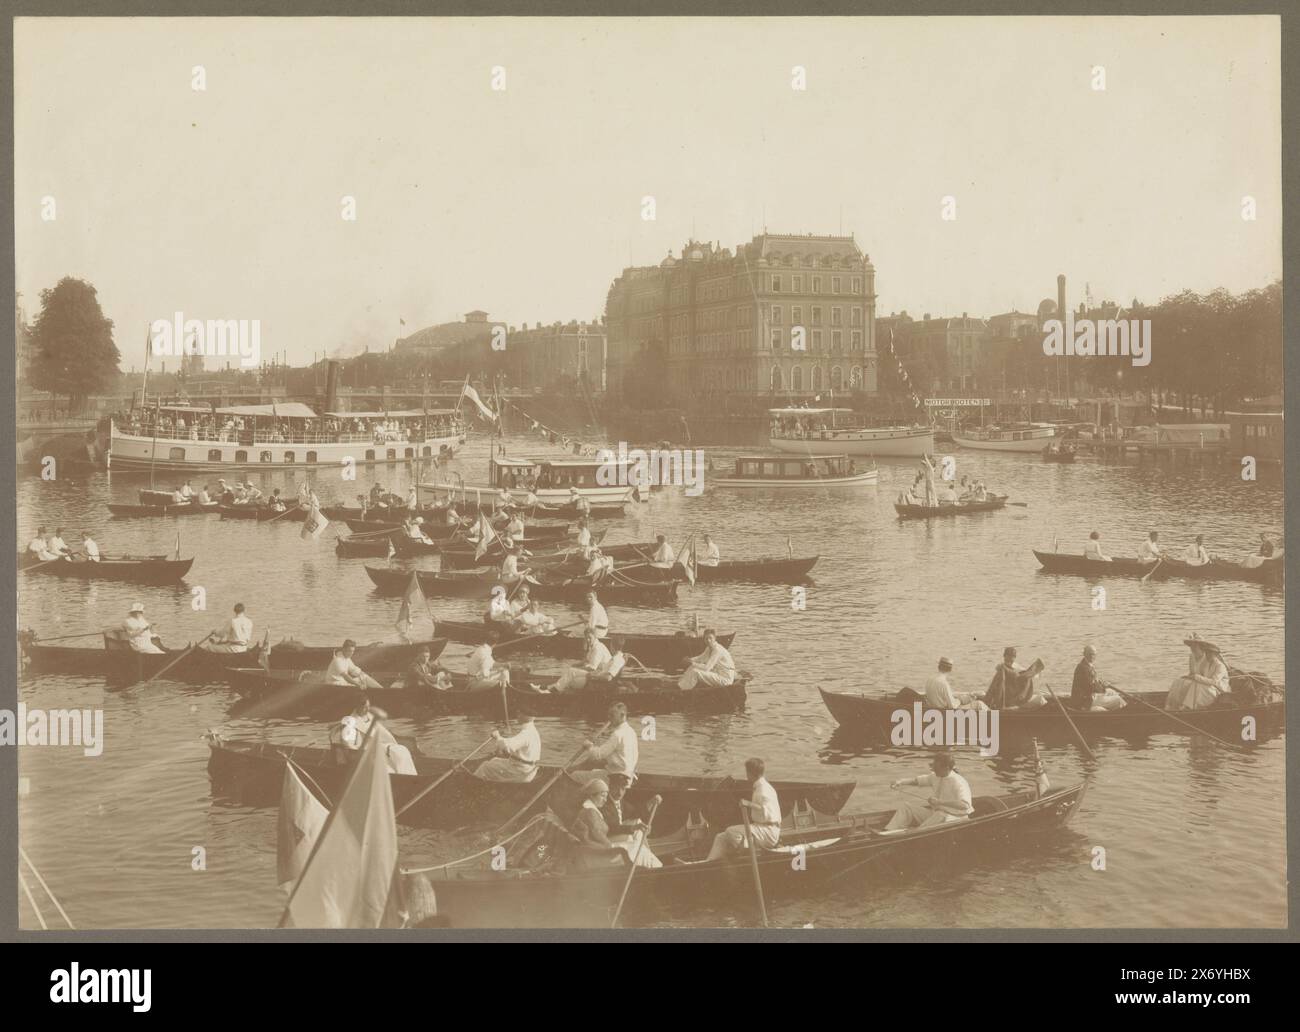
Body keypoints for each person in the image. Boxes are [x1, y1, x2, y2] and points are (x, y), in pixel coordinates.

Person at [702, 758, 781, 860]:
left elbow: (766, 812)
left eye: (747, 772)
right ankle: (707, 862)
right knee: (720, 837)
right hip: (762, 828)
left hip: (768, 832)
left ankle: (747, 854)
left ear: (751, 773)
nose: (746, 775)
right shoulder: (762, 787)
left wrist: (748, 804)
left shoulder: (763, 790)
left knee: (731, 831)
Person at [884, 752, 973, 831]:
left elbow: (965, 805)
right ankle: (888, 832)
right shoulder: (936, 776)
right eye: (933, 766)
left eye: (936, 767)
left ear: (946, 767)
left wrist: (940, 802)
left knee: (940, 815)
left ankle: (915, 833)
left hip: (955, 818)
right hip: (937, 814)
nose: (933, 769)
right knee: (907, 808)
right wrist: (900, 781)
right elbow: (917, 781)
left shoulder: (959, 782)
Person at [602, 773, 662, 868]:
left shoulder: (619, 801)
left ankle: (644, 854)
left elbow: (635, 812)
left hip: (616, 834)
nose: (620, 793)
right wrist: (632, 828)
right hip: (609, 838)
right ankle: (643, 858)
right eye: (616, 788)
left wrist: (651, 802)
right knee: (634, 836)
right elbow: (611, 828)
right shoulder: (604, 804)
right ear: (610, 787)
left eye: (623, 789)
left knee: (637, 821)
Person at [574, 701, 638, 779]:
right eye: (608, 715)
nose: (609, 718)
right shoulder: (631, 732)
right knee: (594, 769)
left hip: (616, 777)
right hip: (628, 774)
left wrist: (588, 745)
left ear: (622, 715)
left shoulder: (617, 734)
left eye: (612, 715)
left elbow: (598, 755)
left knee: (575, 775)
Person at [474, 708, 541, 782]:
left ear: (524, 716)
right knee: (494, 760)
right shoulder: (533, 731)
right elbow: (513, 745)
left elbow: (508, 746)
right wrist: (502, 740)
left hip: (521, 772)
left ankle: (475, 784)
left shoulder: (526, 733)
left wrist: (497, 736)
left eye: (519, 714)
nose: (517, 716)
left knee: (485, 766)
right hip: (529, 769)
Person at [1166, 635, 1230, 711]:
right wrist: (1191, 677)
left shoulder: (1220, 666)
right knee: (1180, 682)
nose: (1208, 655)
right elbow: (1203, 677)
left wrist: (1196, 677)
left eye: (1211, 654)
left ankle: (1188, 707)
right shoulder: (1208, 664)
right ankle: (1175, 705)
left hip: (1219, 690)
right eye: (1207, 653)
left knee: (1197, 685)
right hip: (1208, 686)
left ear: (1216, 655)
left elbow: (1214, 681)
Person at [1070, 644, 1125, 711]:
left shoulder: (1087, 665)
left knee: (1112, 692)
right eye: (1090, 654)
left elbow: (1094, 682)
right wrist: (1103, 687)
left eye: (1094, 654)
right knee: (1118, 700)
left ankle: (1118, 710)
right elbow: (1091, 687)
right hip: (1086, 700)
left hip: (1090, 695)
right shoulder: (1082, 668)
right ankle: (1123, 712)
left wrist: (1101, 684)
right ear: (1084, 654)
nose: (1092, 656)